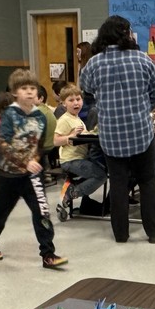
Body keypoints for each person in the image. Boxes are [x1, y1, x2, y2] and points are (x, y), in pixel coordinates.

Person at [79, 15, 155, 244]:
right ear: (126, 34)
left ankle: (121, 234)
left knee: (118, 184)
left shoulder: (94, 63)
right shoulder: (143, 60)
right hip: (141, 133)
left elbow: (85, 87)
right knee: (147, 182)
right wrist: (143, 106)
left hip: (110, 135)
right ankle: (154, 233)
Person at [0, 68, 68, 268]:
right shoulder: (10, 115)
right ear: (15, 92)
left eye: (32, 88)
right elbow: (3, 144)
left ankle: (48, 254)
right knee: (0, 213)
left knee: (42, 212)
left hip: (32, 176)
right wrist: (24, 162)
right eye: (24, 88)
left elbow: (39, 145)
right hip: (9, 175)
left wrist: (38, 161)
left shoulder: (40, 116)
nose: (29, 92)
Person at [54, 84, 106, 215]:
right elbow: (55, 141)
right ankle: (71, 193)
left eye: (78, 99)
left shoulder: (78, 119)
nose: (75, 103)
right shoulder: (64, 119)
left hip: (81, 158)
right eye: (71, 100)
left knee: (103, 171)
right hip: (70, 160)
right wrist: (70, 137)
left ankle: (72, 188)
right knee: (100, 176)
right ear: (63, 104)